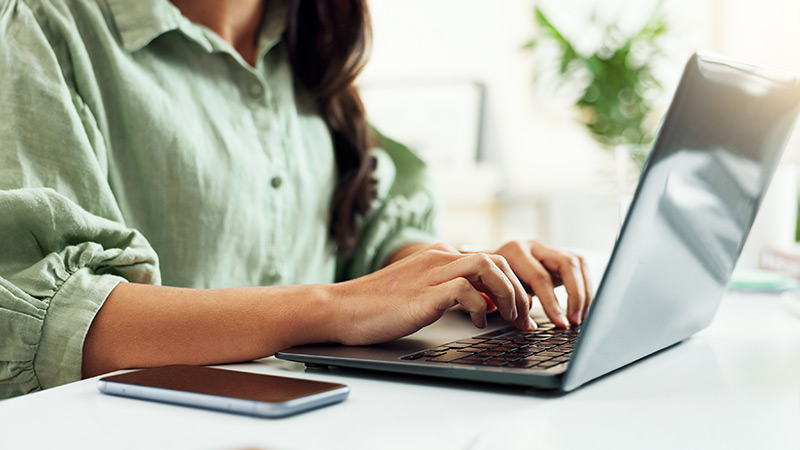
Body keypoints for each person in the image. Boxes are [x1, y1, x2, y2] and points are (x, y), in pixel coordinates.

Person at [0, 0, 592, 399]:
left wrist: (457, 275)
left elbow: (363, 235)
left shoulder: (306, 41)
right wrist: (335, 307)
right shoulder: (41, 25)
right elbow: (48, 317)